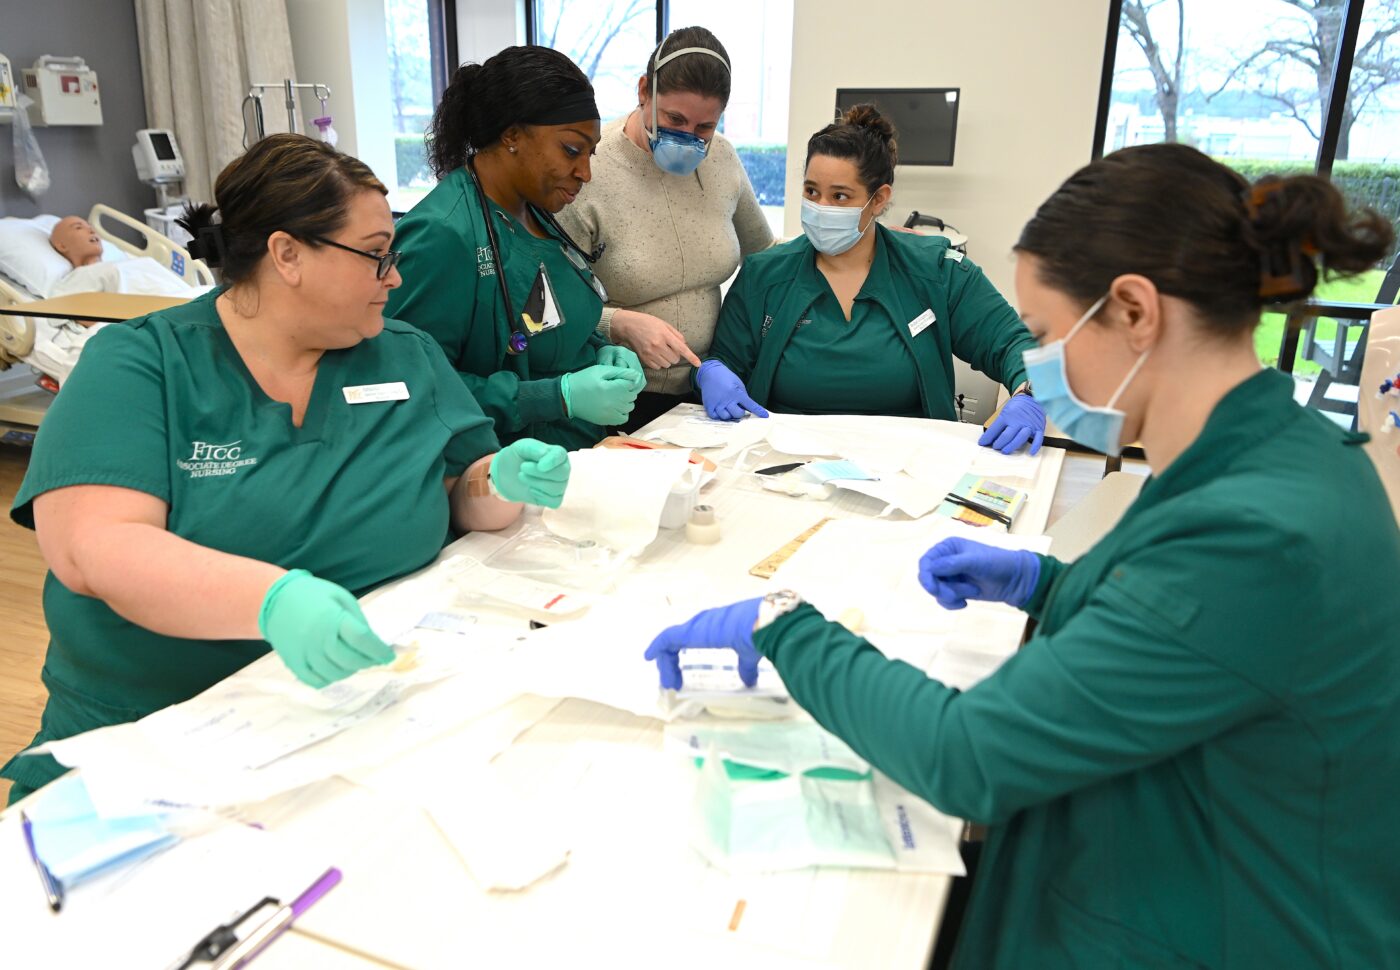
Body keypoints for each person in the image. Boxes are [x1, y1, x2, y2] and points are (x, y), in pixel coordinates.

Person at [644, 143, 1400, 967]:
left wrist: (783, 629)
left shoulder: (1263, 531)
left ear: (1136, 312)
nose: (1037, 363)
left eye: (1045, 335)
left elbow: (967, 756)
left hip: (1214, 923)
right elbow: (1202, 633)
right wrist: (1049, 583)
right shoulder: (1279, 457)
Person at [2, 134, 572, 804]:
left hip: (359, 722)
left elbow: (458, 489)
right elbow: (95, 551)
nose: (395, 278)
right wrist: (271, 603)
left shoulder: (402, 355)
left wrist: (498, 481)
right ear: (287, 254)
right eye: (376, 257)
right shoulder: (138, 366)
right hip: (155, 745)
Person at [700, 104, 1045, 455]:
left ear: (878, 199)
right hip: (783, 460)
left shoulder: (937, 273)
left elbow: (1017, 345)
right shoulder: (764, 276)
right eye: (811, 191)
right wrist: (712, 371)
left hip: (909, 464)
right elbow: (726, 362)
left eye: (840, 196)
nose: (821, 207)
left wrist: (1028, 394)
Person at [386, 46, 645, 450]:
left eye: (590, 154)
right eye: (572, 150)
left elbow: (541, 321)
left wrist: (599, 352)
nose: (585, 173)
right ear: (511, 135)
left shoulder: (534, 213)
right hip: (503, 475)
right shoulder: (443, 233)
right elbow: (411, 387)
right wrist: (555, 397)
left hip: (584, 456)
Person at [555, 27, 774, 431]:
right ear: (644, 91)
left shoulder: (722, 158)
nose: (687, 138)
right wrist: (616, 322)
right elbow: (548, 304)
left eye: (704, 127)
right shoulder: (590, 170)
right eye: (675, 119)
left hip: (706, 388)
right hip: (614, 397)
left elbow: (766, 256)